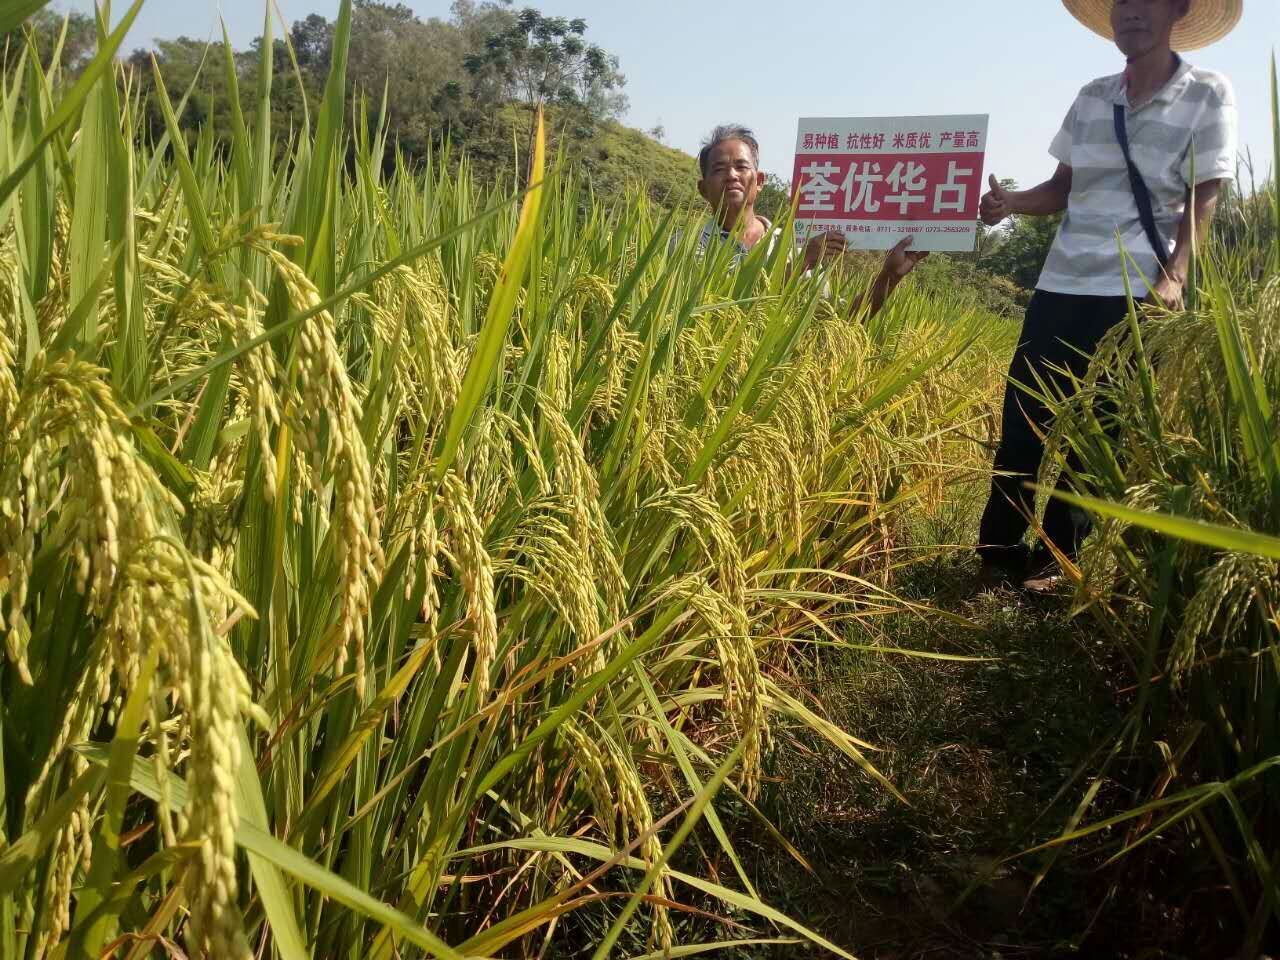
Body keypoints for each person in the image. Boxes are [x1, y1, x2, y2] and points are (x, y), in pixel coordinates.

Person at [976, 0, 1239, 593]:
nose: (1131, 14)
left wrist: (1174, 275)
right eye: (1121, 4)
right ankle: (998, 551)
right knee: (1024, 417)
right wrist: (1010, 204)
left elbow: (1205, 197)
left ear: (1176, 10)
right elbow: (1063, 188)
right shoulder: (1093, 96)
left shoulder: (1208, 92)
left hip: (1138, 292)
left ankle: (1057, 563)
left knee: (1099, 427)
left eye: (1145, 2)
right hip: (1062, 281)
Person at [691, 124, 928, 318]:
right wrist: (800, 265)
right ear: (703, 189)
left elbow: (840, 320)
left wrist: (889, 277)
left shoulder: (794, 246)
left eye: (741, 166)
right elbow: (724, 312)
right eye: (720, 169)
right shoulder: (686, 250)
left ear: (760, 180)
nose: (732, 175)